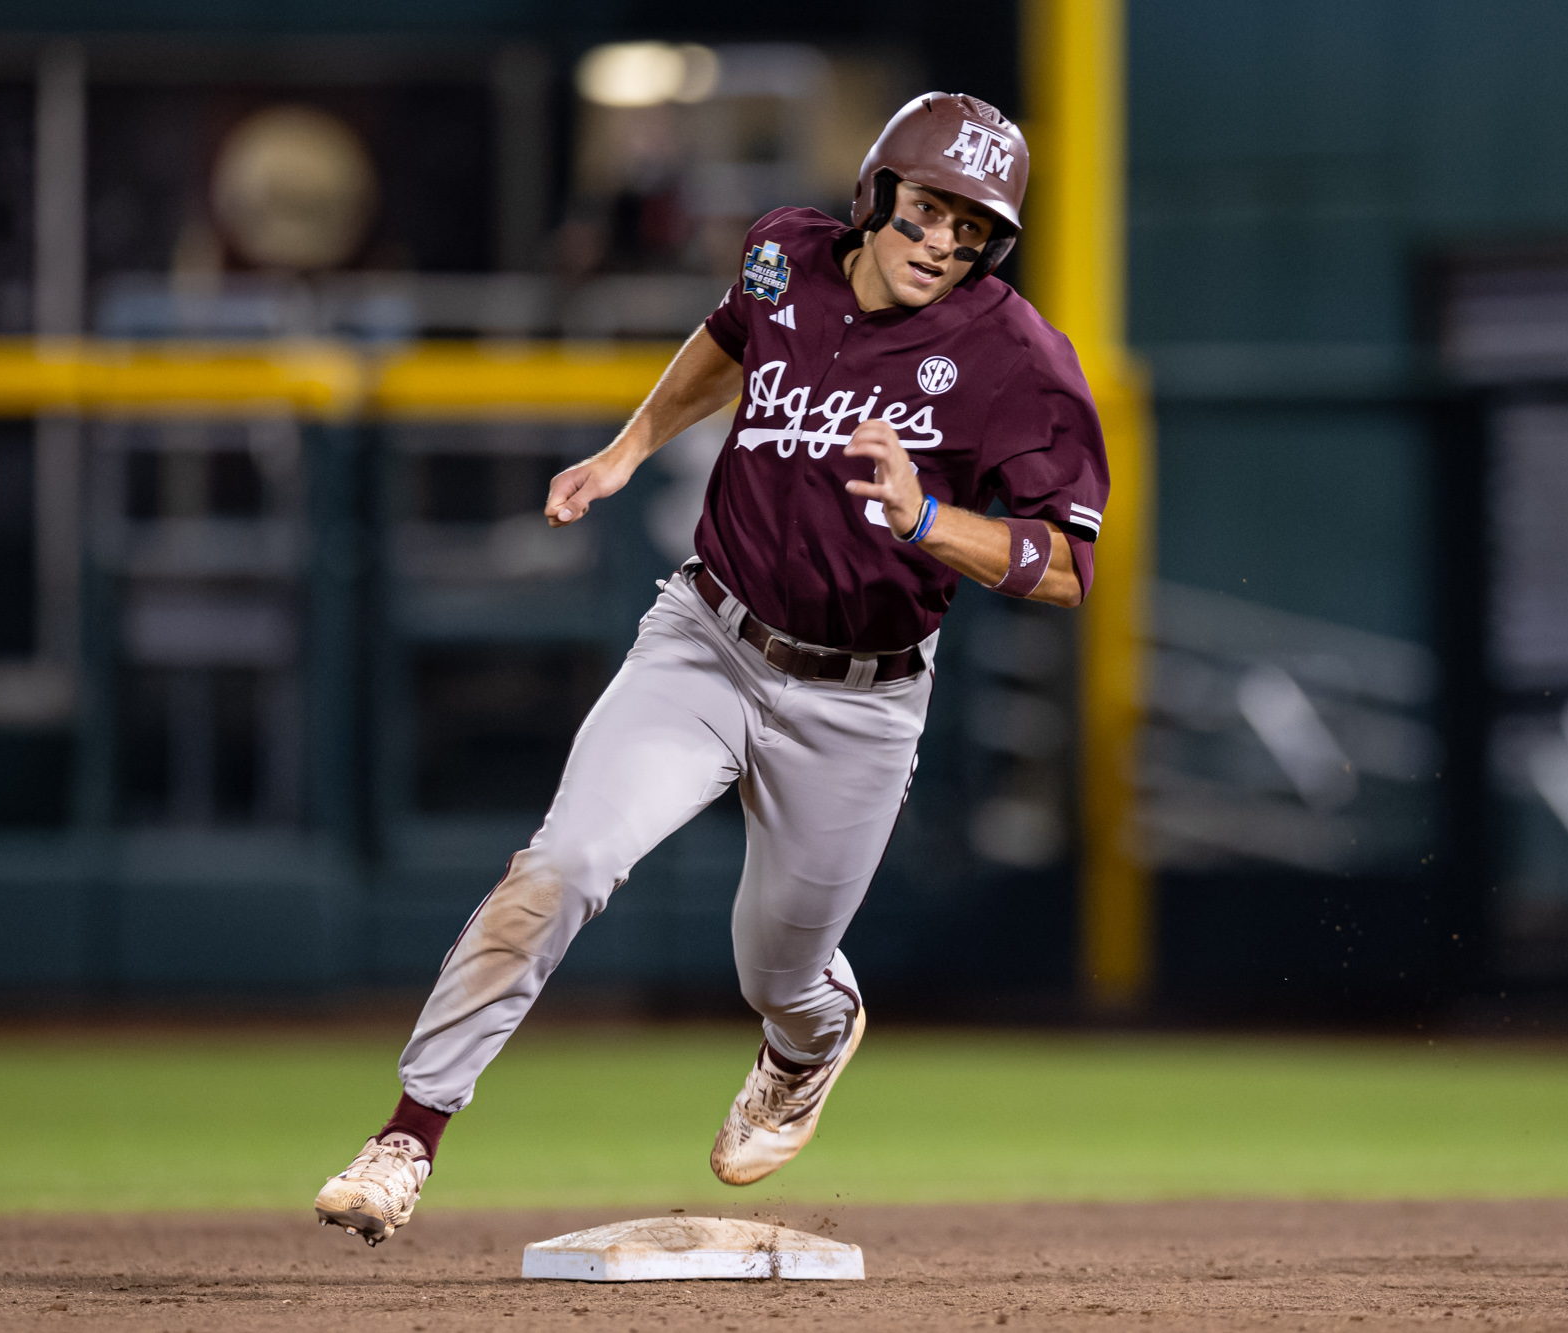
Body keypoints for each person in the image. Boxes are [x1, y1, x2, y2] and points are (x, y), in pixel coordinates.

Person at [313, 91, 1109, 1245]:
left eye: (971, 226)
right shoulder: (786, 253)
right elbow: (730, 339)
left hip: (860, 699)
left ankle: (809, 1036)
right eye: (928, 208)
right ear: (877, 190)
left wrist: (929, 515)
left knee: (776, 970)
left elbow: (1065, 567)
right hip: (707, 639)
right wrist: (627, 447)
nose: (943, 241)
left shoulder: (1015, 356)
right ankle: (407, 1134)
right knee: (566, 861)